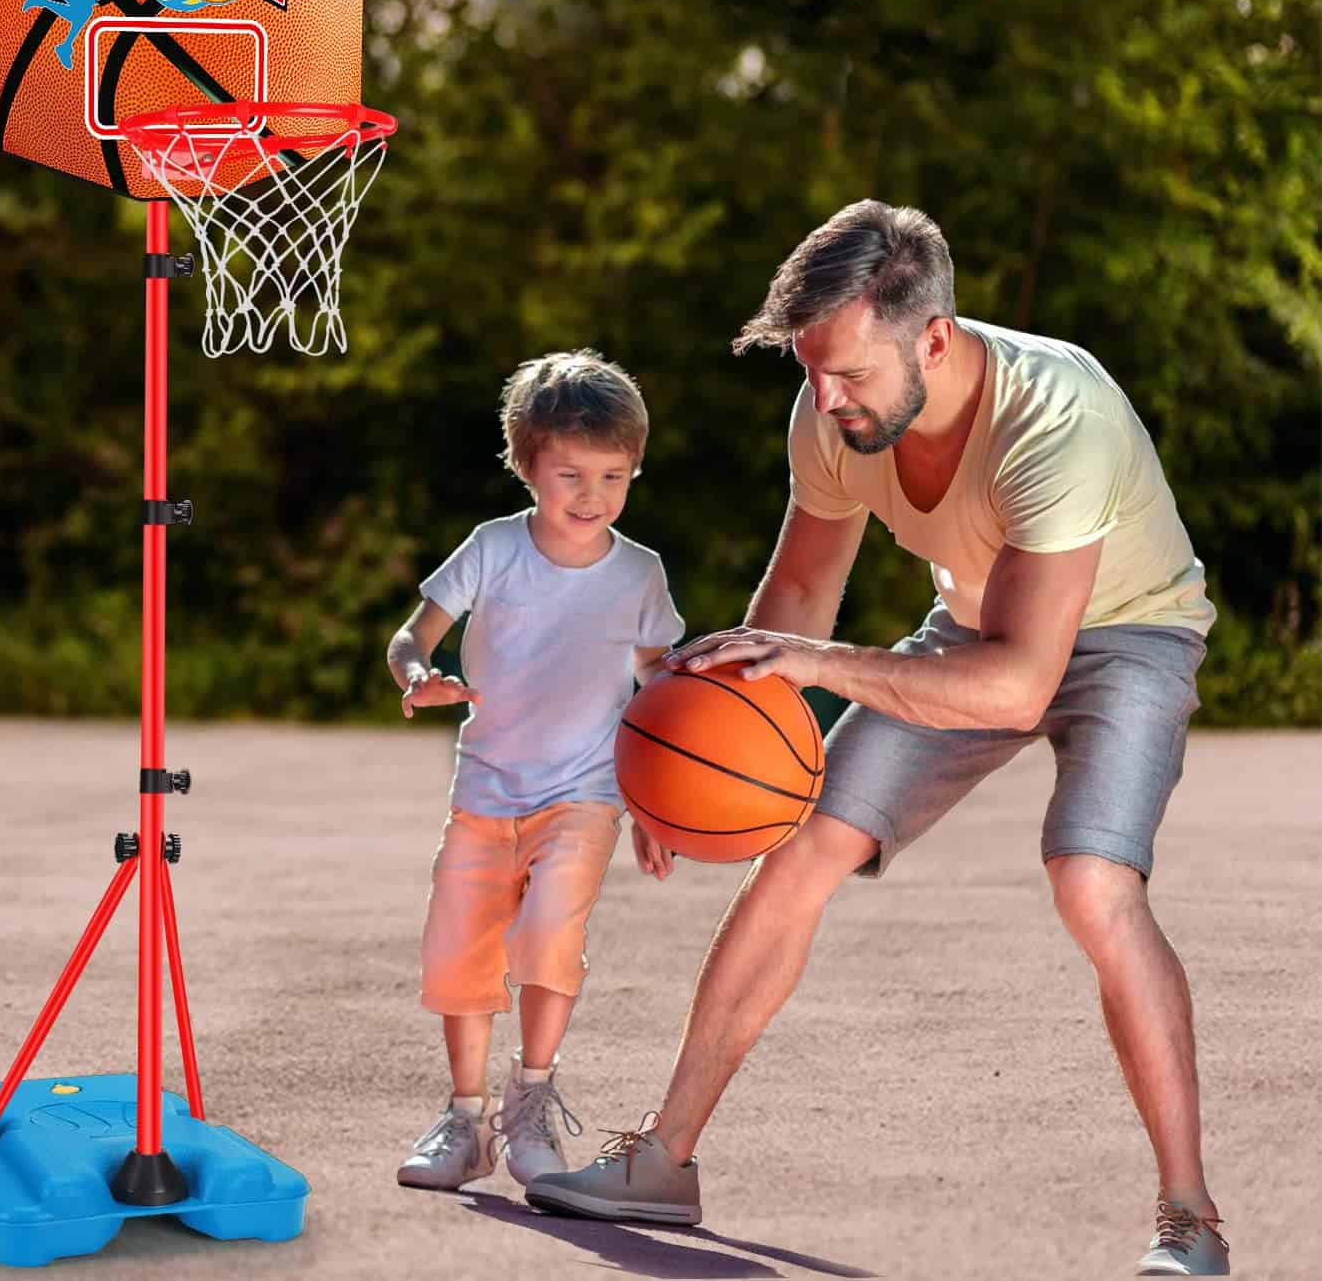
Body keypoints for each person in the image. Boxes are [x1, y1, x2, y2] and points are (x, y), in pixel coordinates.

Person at [526, 202, 1229, 1278]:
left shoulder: (1057, 414)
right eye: (813, 372)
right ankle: (664, 1158)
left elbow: (1019, 684)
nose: (827, 397)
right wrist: (682, 766)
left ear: (933, 340)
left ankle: (1188, 1215)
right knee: (802, 844)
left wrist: (819, 669)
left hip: (1126, 631)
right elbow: (801, 594)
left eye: (848, 373)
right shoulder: (834, 416)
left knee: (1092, 881)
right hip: (974, 625)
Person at [388, 348, 685, 1195]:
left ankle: (532, 1097)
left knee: (550, 932)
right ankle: (465, 1116)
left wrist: (657, 808)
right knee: (458, 952)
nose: (592, 496)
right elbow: (411, 637)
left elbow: (662, 692)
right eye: (571, 474)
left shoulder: (639, 572)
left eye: (614, 476)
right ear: (526, 465)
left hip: (586, 795)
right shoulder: (491, 549)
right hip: (485, 792)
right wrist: (417, 675)